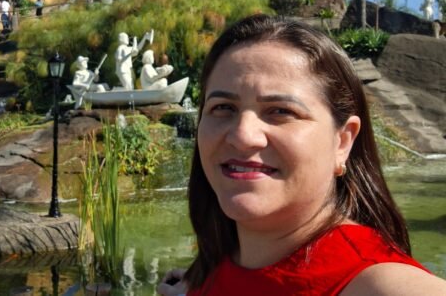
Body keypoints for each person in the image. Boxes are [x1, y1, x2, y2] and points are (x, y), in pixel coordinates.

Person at [158, 15, 446, 296]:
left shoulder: (380, 284)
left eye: (281, 111)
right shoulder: (212, 268)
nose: (243, 136)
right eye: (223, 107)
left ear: (342, 142)